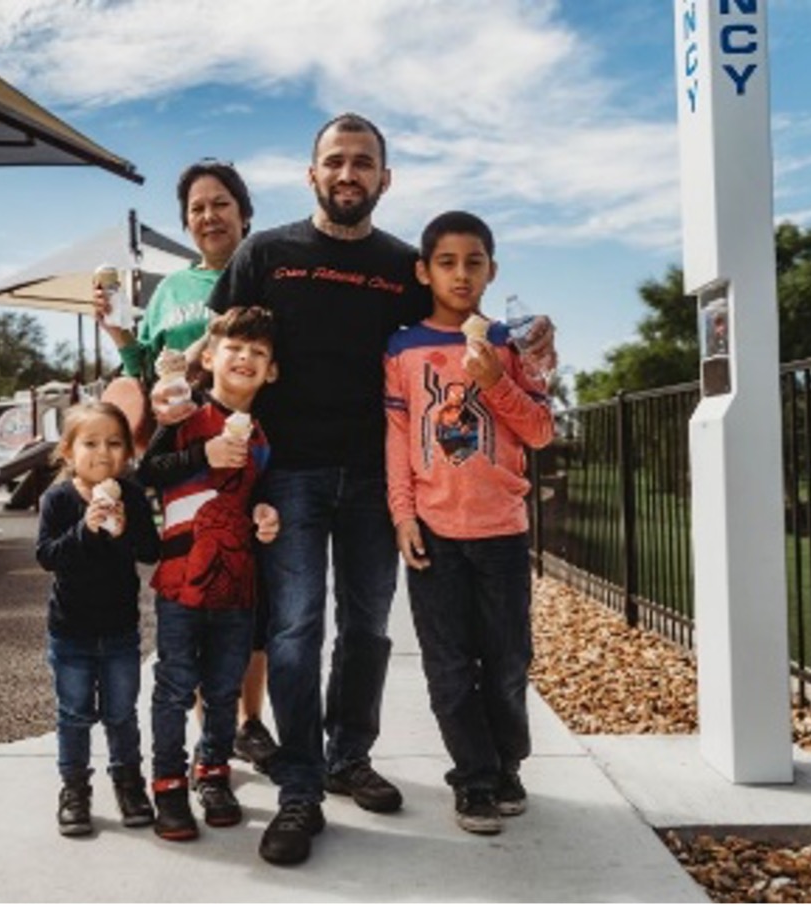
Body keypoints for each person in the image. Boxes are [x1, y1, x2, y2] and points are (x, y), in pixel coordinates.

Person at [201, 112, 431, 866]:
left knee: (365, 629)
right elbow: (217, 345)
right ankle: (299, 784)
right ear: (310, 174)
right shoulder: (265, 252)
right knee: (296, 630)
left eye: (362, 163)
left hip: (374, 474)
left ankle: (347, 756)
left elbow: (445, 339)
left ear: (383, 179)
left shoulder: (404, 266)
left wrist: (524, 341)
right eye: (334, 161)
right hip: (286, 474)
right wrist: (167, 392)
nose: (347, 174)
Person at [95, 160, 280, 774]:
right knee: (195, 591)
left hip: (249, 448)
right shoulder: (171, 291)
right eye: (197, 207)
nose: (208, 215)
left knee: (250, 598)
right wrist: (119, 332)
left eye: (220, 203)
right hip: (185, 455)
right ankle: (211, 735)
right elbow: (145, 368)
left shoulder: (265, 272)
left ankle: (249, 723)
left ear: (244, 212)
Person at [384, 211, 555, 835]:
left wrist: (497, 382)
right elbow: (398, 437)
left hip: (502, 531)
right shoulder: (402, 347)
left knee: (508, 661)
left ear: (492, 270)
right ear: (424, 271)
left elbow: (539, 429)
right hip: (434, 531)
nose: (461, 274)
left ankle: (508, 764)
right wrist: (402, 514)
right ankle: (474, 779)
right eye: (447, 263)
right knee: (449, 666)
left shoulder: (513, 345)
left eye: (474, 262)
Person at [136, 306, 282, 842]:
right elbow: (147, 473)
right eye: (234, 348)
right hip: (181, 578)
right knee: (176, 684)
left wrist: (265, 516)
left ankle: (214, 770)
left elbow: (257, 495)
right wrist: (203, 452)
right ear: (211, 358)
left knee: (224, 686)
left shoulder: (263, 436)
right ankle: (168, 782)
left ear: (271, 372)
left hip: (237, 582)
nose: (245, 357)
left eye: (258, 353)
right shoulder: (185, 417)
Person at [35, 402, 161, 837]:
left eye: (114, 443)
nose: (103, 452)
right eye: (90, 443)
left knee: (121, 714)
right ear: (68, 451)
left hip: (120, 631)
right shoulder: (58, 499)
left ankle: (128, 783)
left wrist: (124, 531)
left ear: (127, 451)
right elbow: (47, 557)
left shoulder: (132, 495)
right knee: (73, 715)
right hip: (70, 633)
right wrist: (85, 530)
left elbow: (150, 551)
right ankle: (74, 789)